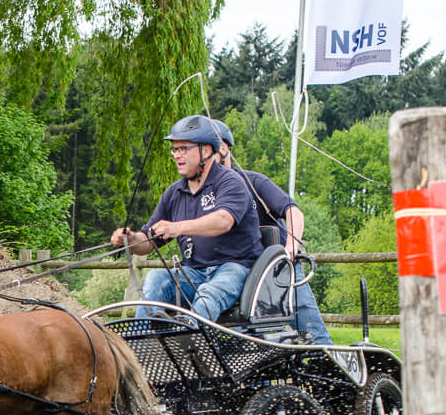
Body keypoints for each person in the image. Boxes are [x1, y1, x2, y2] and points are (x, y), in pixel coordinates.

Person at [110, 115, 263, 322]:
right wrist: (129, 239)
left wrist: (178, 228)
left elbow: (223, 220)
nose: (177, 155)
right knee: (155, 278)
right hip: (193, 272)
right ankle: (140, 343)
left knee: (208, 294)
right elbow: (148, 240)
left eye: (184, 149)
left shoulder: (230, 182)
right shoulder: (174, 193)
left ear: (206, 151)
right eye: (175, 149)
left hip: (235, 268)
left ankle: (191, 340)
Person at [211, 118, 333, 345]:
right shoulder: (201, 194)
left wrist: (292, 246)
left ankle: (330, 367)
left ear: (224, 147)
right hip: (237, 272)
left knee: (310, 328)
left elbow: (293, 211)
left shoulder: (254, 182)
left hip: (277, 270)